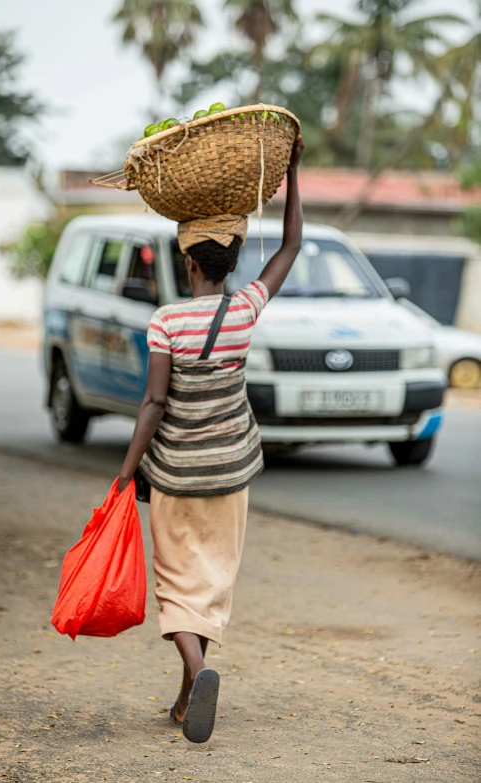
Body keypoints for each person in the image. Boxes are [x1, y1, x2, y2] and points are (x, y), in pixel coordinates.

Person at [118, 135, 304, 743]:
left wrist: (126, 472)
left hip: (175, 475)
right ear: (230, 262)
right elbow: (291, 245)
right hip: (231, 475)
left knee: (176, 585)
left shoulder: (167, 321)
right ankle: (185, 698)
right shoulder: (247, 310)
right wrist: (293, 173)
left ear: (189, 264)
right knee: (211, 582)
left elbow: (153, 405)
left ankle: (198, 673)